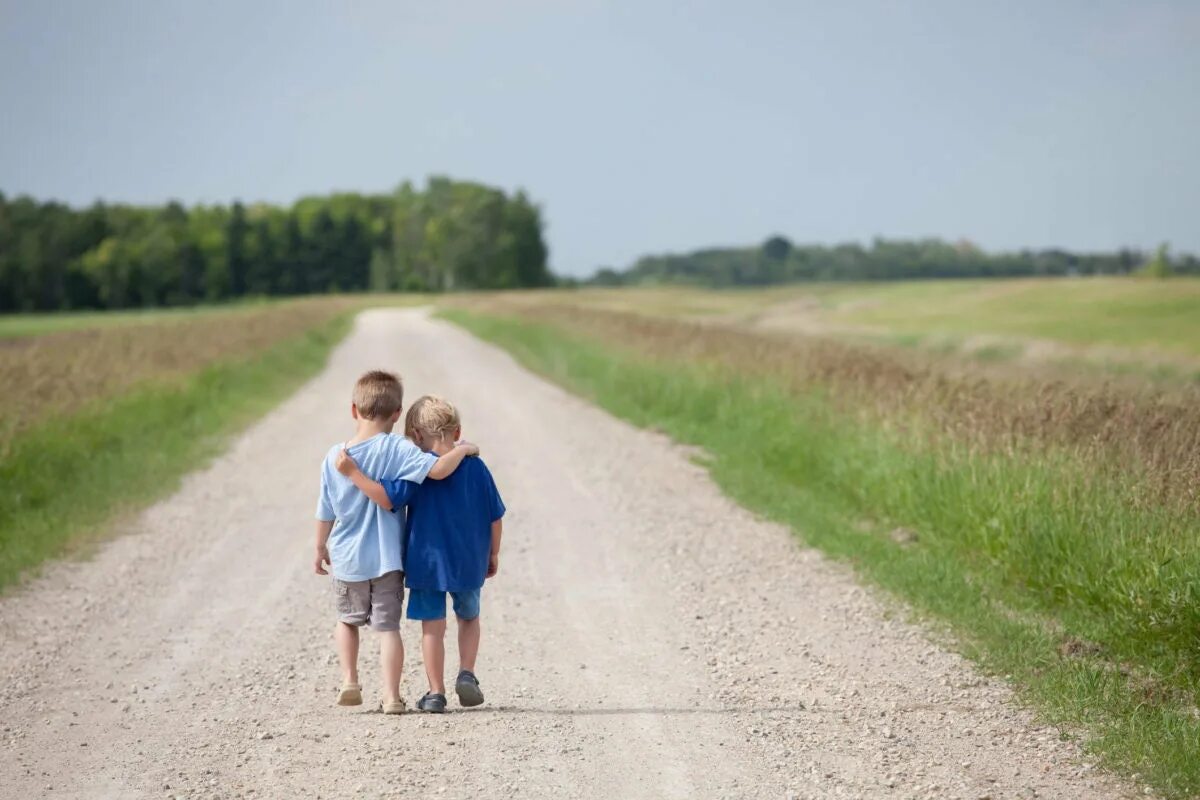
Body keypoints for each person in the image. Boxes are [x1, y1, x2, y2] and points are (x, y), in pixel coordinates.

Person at [315, 372, 478, 715]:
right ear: (397, 413)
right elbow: (437, 471)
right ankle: (391, 696)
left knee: (347, 621)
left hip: (347, 558)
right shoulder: (398, 448)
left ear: (353, 409)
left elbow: (325, 508)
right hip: (388, 558)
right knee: (387, 628)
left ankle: (349, 680)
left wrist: (319, 547)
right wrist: (464, 450)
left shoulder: (334, 455)